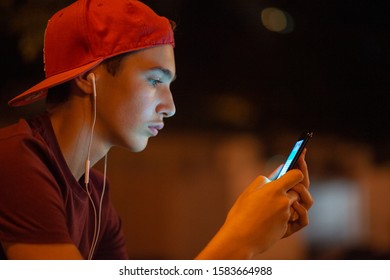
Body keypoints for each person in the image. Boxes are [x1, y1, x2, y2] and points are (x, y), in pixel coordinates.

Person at [0, 0, 313, 260]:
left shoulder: (95, 195)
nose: (170, 106)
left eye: (169, 84)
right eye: (154, 81)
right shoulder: (15, 160)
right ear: (88, 77)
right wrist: (242, 240)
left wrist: (252, 232)